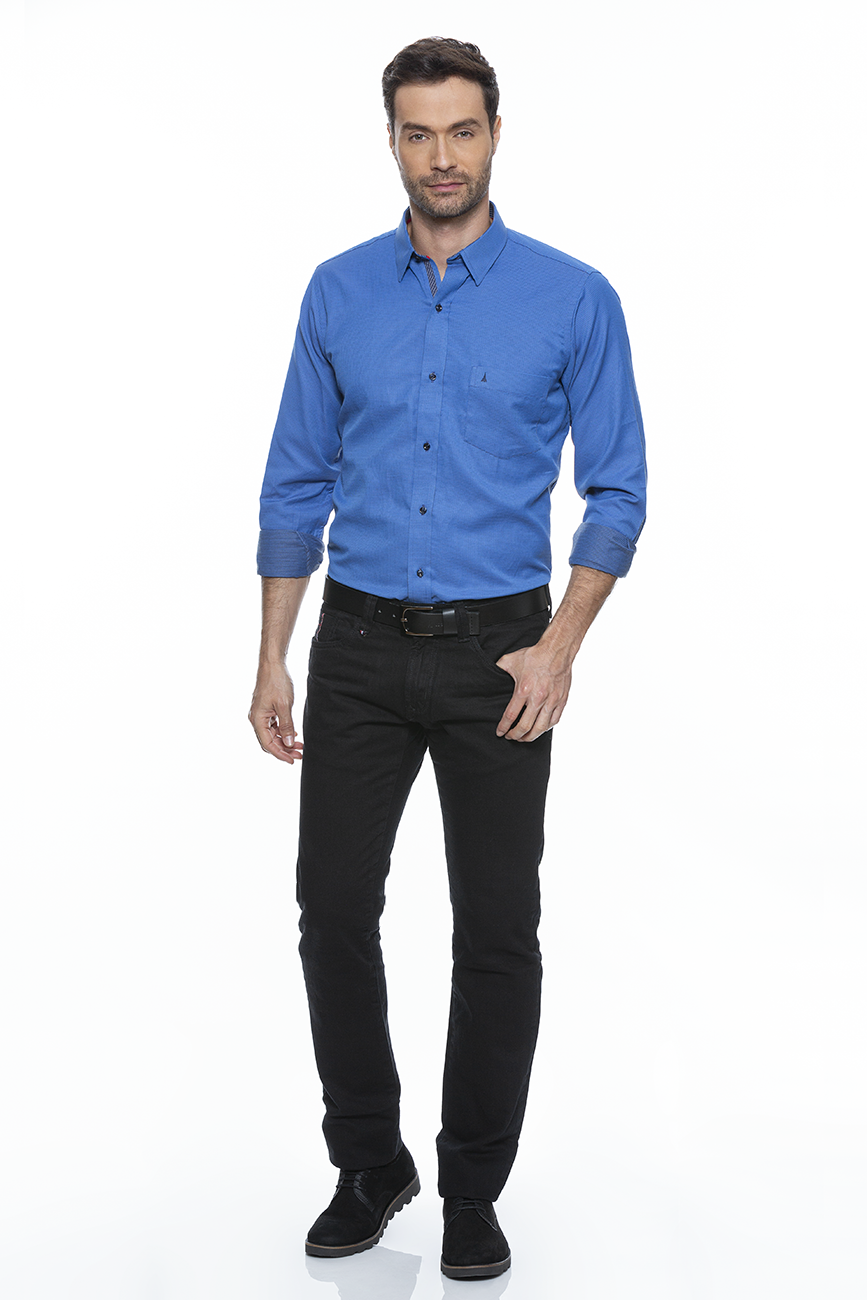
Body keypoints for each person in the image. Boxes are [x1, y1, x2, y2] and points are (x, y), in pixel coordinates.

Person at [249, 36, 646, 1281]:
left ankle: (473, 1187)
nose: (441, 156)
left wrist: (559, 647)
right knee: (330, 912)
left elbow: (620, 490)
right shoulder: (336, 292)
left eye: (461, 130)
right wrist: (273, 656)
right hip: (358, 646)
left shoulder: (573, 296)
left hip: (500, 655)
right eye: (418, 133)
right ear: (392, 142)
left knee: (498, 928)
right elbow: (294, 480)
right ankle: (369, 1164)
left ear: (494, 134)